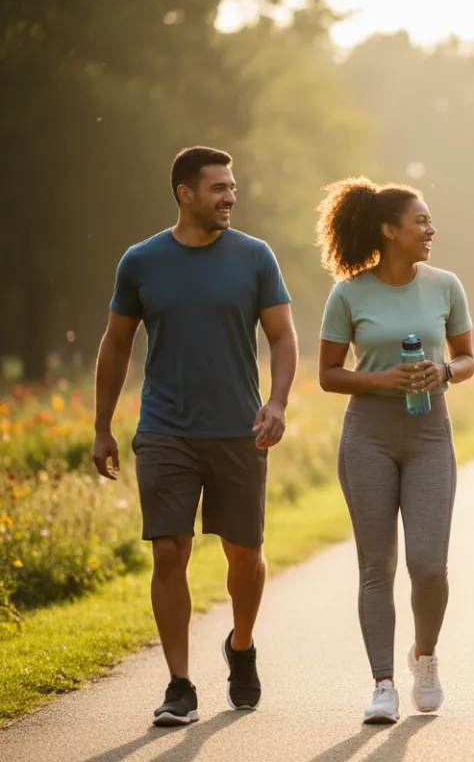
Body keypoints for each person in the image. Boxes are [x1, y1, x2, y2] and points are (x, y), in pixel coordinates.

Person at [92, 146, 298, 727]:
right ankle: (179, 685)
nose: (230, 197)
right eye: (218, 189)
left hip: (239, 429)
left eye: (232, 188)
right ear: (185, 193)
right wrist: (103, 425)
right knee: (169, 550)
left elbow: (283, 337)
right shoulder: (141, 261)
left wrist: (276, 401)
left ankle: (242, 645)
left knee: (244, 555)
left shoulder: (255, 257)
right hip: (164, 430)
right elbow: (115, 344)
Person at [315, 177, 474, 724]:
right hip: (369, 438)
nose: (431, 230)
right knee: (375, 565)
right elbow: (329, 376)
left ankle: (424, 658)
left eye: (429, 222)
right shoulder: (350, 293)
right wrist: (384, 380)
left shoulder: (446, 285)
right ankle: (382, 682)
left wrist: (444, 370)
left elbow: (467, 358)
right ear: (390, 230)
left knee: (429, 564)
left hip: (431, 435)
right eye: (421, 222)